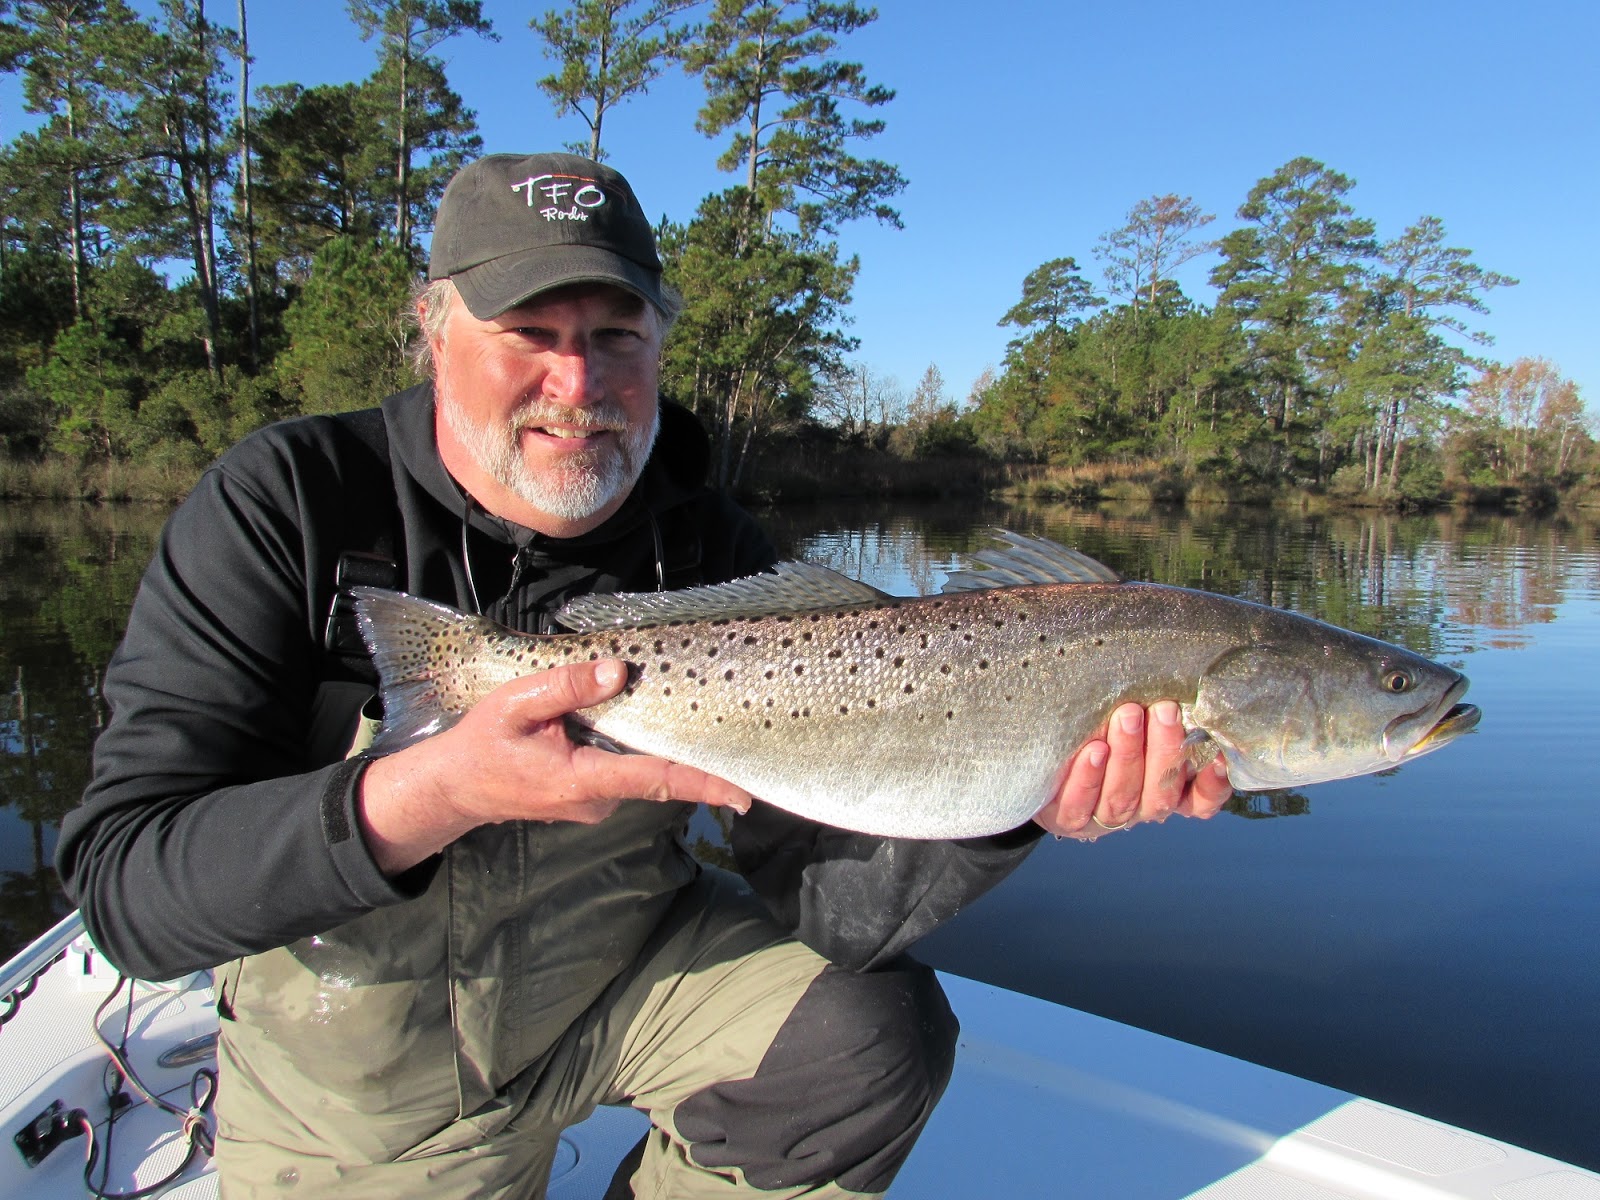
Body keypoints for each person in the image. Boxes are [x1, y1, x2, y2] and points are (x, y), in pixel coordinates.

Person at [56, 152, 1232, 1199]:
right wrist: (437, 789)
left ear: (661, 344)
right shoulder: (288, 501)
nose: (578, 384)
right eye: (530, 333)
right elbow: (125, 891)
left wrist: (1012, 798)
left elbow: (836, 909)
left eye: (614, 337)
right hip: (365, 1060)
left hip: (624, 973)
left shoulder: (718, 550)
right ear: (434, 329)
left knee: (871, 1038)